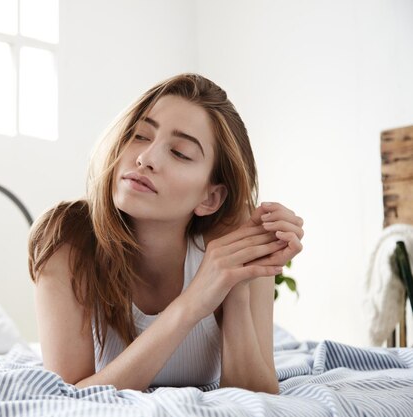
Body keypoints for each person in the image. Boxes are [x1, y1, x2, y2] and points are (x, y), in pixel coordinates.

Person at [28, 73, 304, 393]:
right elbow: (68, 397)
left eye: (180, 153)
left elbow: (257, 397)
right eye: (140, 135)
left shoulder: (234, 235)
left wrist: (236, 286)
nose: (146, 158)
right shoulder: (65, 240)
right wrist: (192, 304)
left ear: (210, 197)